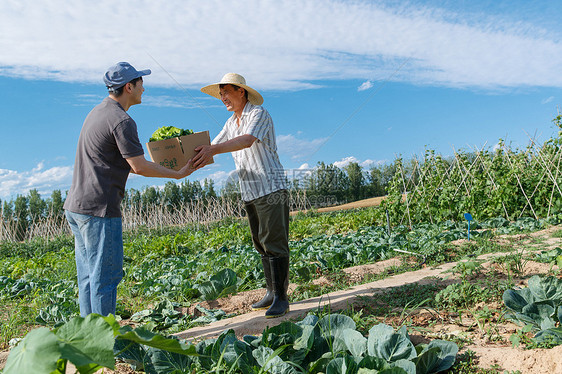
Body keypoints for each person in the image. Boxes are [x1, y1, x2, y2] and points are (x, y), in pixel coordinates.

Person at [63, 62, 195, 317]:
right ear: (129, 87)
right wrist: (177, 174)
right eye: (140, 83)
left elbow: (127, 164)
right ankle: (105, 341)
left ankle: (89, 339)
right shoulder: (122, 121)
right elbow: (139, 166)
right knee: (105, 277)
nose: (144, 88)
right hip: (99, 209)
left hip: (77, 207)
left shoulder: (97, 112)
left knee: (88, 277)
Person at [193, 73, 290, 318]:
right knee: (260, 241)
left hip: (270, 187)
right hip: (250, 190)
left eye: (226, 92)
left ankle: (281, 297)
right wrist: (185, 162)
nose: (222, 97)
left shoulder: (258, 114)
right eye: (221, 94)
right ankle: (270, 291)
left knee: (274, 242)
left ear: (241, 92)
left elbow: (246, 141)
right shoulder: (230, 123)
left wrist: (211, 149)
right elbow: (213, 148)